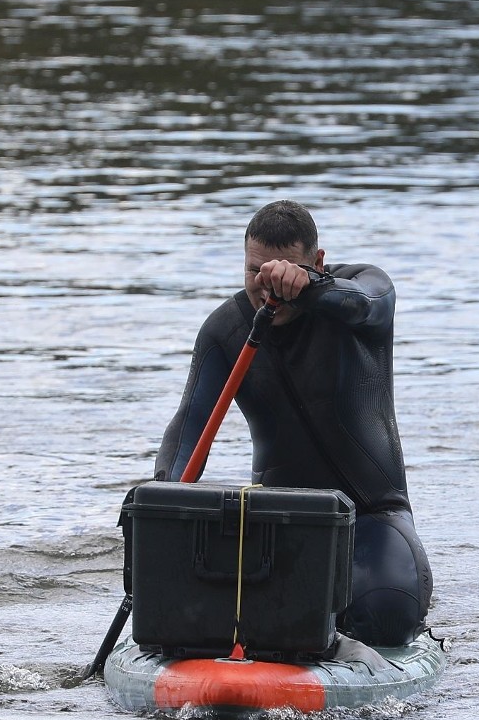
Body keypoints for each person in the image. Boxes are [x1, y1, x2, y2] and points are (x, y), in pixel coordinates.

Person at [154, 199, 432, 647]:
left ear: (316, 262)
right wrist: (160, 505)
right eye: (254, 273)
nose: (268, 291)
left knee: (386, 615)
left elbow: (362, 304)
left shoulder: (366, 289)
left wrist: (310, 289)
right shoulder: (225, 331)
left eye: (280, 273)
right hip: (276, 522)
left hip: (372, 516)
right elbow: (188, 431)